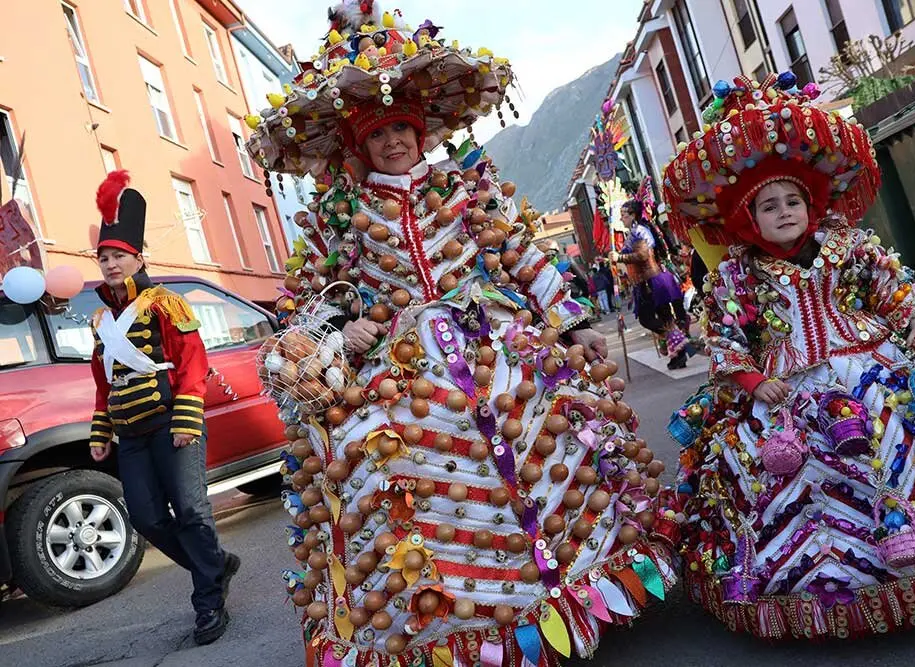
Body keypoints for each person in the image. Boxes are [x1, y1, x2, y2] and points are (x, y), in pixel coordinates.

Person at [247, 4, 673, 665]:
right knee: (376, 449)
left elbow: (521, 256)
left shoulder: (464, 184)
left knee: (556, 407)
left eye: (402, 128)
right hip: (405, 353)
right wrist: (342, 328)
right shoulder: (342, 213)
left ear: (422, 132)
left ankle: (579, 578)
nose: (393, 141)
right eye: (380, 131)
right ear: (362, 143)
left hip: (487, 333)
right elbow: (312, 298)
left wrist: (573, 320)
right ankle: (457, 616)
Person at [661, 71, 915, 640]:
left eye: (793, 200)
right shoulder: (736, 275)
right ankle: (820, 575)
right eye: (769, 206)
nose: (785, 211)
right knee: (787, 464)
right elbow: (721, 332)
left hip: (871, 360)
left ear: (811, 203)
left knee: (913, 440)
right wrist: (748, 380)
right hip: (783, 386)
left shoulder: (850, 246)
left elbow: (893, 286)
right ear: (749, 219)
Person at [87, 171, 239, 645]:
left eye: (118, 256)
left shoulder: (163, 302)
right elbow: (103, 381)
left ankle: (208, 600)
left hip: (174, 422)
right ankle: (216, 563)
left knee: (192, 512)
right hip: (131, 433)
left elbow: (194, 359)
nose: (111, 264)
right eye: (104, 257)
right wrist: (100, 432)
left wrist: (188, 418)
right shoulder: (101, 321)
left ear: (137, 258)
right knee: (147, 518)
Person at [614, 199, 688, 368]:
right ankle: (678, 354)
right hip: (646, 281)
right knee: (665, 317)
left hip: (650, 282)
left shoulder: (639, 231)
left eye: (624, 215)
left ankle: (676, 337)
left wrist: (620, 257)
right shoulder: (633, 232)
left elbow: (642, 255)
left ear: (633, 215)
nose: (621, 219)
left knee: (647, 319)